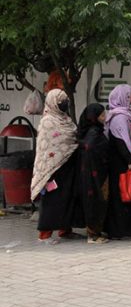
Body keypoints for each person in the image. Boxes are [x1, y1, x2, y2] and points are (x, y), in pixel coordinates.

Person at [31, 89, 82, 244]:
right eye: (61, 102)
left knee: (68, 199)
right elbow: (48, 145)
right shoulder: (47, 121)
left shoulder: (66, 119)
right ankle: (44, 234)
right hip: (52, 169)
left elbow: (71, 137)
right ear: (53, 102)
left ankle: (65, 230)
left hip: (67, 166)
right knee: (52, 201)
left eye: (65, 101)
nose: (64, 104)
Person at [104, 84, 131, 239]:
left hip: (122, 161)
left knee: (125, 194)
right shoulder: (119, 118)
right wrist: (130, 160)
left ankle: (124, 229)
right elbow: (121, 142)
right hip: (119, 163)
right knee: (122, 195)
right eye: (130, 94)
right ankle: (119, 230)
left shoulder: (126, 115)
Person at [77, 103, 110, 244]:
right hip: (94, 174)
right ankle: (93, 235)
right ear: (94, 117)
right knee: (95, 201)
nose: (105, 117)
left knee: (97, 200)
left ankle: (95, 231)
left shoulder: (93, 130)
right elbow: (89, 148)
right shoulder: (93, 132)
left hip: (94, 173)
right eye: (102, 115)